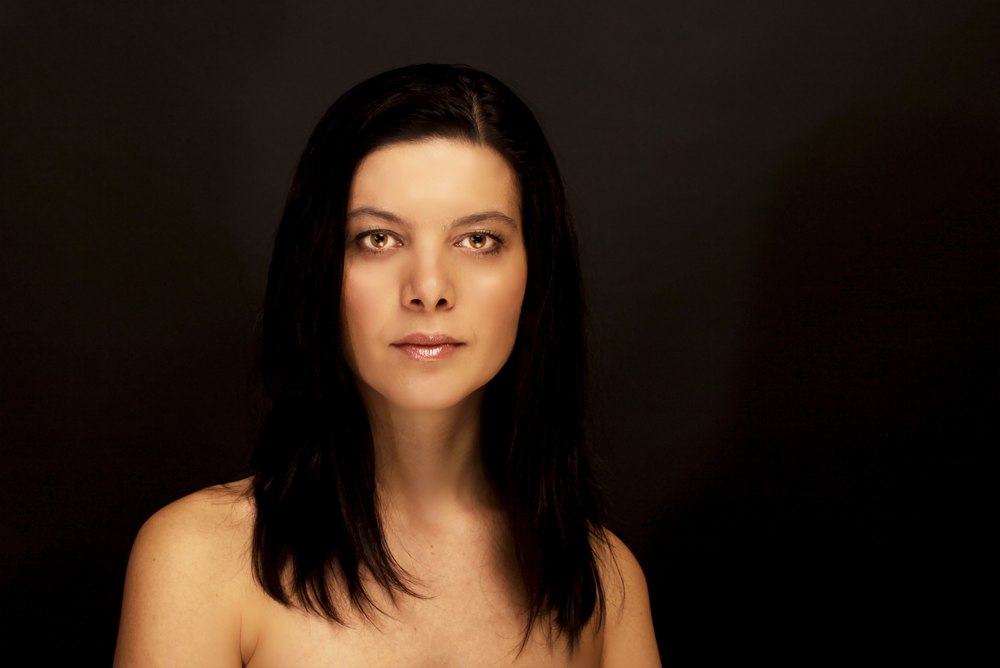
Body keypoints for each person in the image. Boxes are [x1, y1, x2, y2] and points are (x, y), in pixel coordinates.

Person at [113, 63, 661, 667]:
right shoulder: (199, 560)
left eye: (478, 239)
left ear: (536, 273)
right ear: (317, 268)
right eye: (379, 239)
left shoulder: (603, 582)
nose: (429, 289)